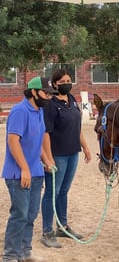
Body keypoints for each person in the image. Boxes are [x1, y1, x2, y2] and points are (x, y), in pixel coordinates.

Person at [1, 77, 57, 262]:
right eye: (46, 93)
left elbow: (38, 140)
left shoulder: (39, 110)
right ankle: (10, 255)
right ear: (33, 92)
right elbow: (13, 141)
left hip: (36, 172)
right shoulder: (19, 111)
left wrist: (47, 160)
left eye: (51, 94)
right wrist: (24, 168)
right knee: (20, 214)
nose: (49, 97)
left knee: (31, 214)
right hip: (18, 174)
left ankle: (24, 253)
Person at [40, 69, 92, 248]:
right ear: (55, 84)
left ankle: (62, 226)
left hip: (72, 153)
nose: (66, 83)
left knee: (63, 191)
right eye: (62, 81)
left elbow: (76, 128)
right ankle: (47, 232)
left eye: (69, 80)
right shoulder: (50, 105)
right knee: (51, 192)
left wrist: (85, 147)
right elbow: (45, 133)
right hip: (57, 155)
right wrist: (48, 158)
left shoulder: (72, 100)